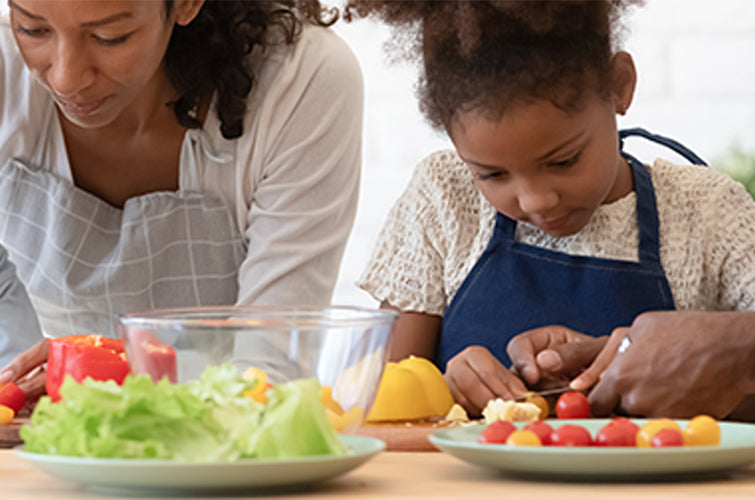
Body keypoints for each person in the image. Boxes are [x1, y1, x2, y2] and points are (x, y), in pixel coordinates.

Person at [345, 0, 755, 417]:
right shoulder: (444, 198)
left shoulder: (707, 212)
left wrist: (711, 374)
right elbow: (376, 400)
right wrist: (440, 389)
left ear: (620, 85)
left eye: (563, 161)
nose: (535, 200)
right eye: (492, 175)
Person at [0, 0, 363, 402]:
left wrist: (111, 373)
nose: (66, 79)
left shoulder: (300, 81)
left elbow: (270, 372)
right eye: (32, 29)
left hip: (224, 446)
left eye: (110, 37)